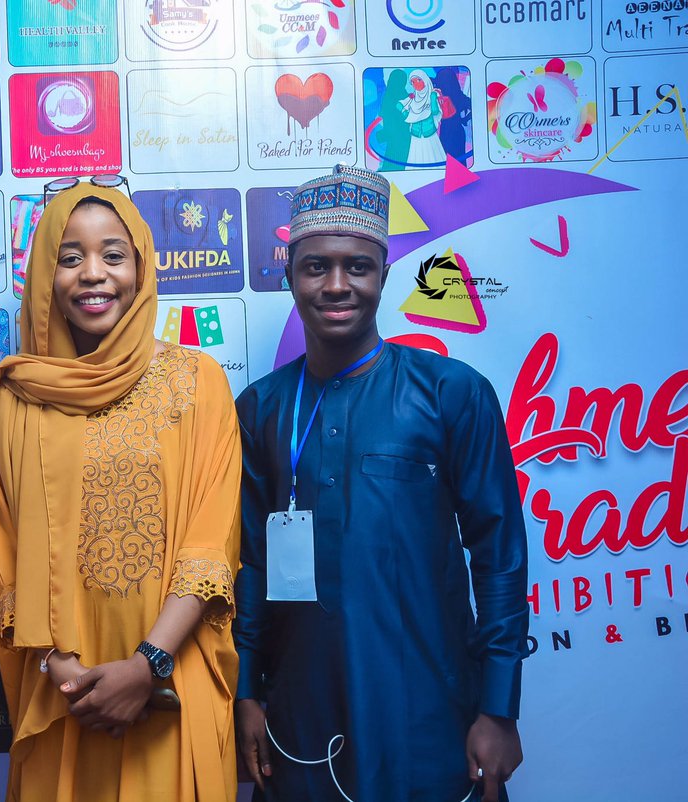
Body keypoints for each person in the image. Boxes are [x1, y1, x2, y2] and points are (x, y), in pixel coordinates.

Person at [233, 165, 528, 802]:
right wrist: (247, 691)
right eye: (316, 267)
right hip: (300, 714)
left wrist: (499, 708)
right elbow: (250, 563)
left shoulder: (452, 393)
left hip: (427, 709)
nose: (337, 285)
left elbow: (498, 556)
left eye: (358, 267)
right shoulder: (260, 409)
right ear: (289, 276)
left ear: (384, 275)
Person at [0, 181, 241, 801]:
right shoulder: (12, 401)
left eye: (114, 255)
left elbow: (210, 543)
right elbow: (9, 562)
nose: (94, 274)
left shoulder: (198, 381)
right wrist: (65, 675)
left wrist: (147, 665)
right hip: (64, 695)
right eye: (70, 258)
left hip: (173, 682)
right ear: (45, 274)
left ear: (141, 268)